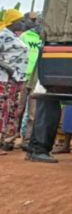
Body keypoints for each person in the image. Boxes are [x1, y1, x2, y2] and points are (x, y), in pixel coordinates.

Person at [0, 8, 29, 155]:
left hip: (18, 80)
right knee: (3, 109)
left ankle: (7, 140)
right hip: (5, 80)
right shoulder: (3, 36)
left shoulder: (15, 37)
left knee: (13, 109)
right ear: (12, 22)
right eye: (20, 21)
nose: (23, 23)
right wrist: (9, 69)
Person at [18, 12, 42, 148]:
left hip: (36, 78)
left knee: (33, 113)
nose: (34, 23)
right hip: (22, 78)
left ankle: (26, 141)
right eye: (32, 20)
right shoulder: (23, 37)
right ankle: (8, 138)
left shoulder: (42, 39)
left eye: (36, 20)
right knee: (18, 109)